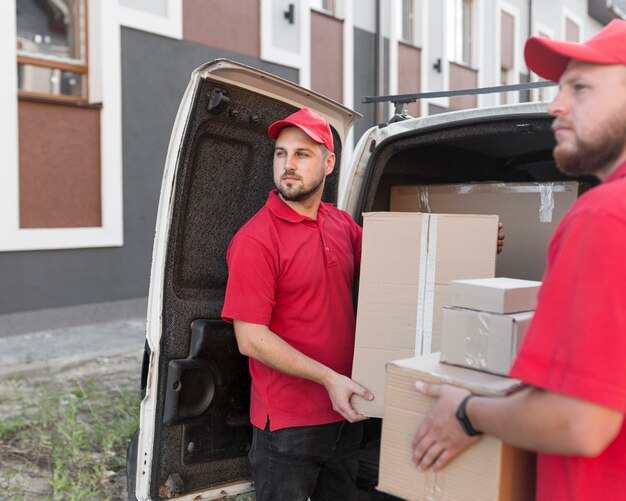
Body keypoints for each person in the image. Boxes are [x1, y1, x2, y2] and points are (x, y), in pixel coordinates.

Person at [411, 19, 626, 501]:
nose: (556, 104)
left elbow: (580, 421)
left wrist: (467, 412)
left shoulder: (607, 215)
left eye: (581, 87)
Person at [221, 107, 374, 501]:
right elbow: (250, 339)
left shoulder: (340, 224)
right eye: (280, 153)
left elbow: (395, 265)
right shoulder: (256, 240)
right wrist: (328, 378)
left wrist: (470, 242)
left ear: (329, 163)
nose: (288, 165)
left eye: (302, 154)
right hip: (289, 427)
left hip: (346, 411)